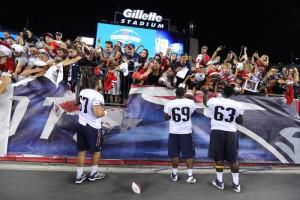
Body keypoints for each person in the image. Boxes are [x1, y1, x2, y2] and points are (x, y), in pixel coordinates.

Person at [203, 85, 244, 193]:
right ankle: (236, 184)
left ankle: (220, 182)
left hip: (217, 131)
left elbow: (205, 102)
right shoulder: (238, 105)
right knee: (233, 160)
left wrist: (206, 93)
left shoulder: (213, 101)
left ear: (222, 92)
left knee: (218, 158)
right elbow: (240, 121)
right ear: (231, 94)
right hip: (231, 132)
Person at [75, 76, 107, 184]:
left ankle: (79, 176)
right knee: (97, 151)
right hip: (92, 126)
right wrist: (105, 112)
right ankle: (93, 174)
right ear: (97, 84)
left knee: (82, 151)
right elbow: (97, 113)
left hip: (81, 123)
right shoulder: (98, 96)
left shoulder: (83, 91)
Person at [164, 87, 197, 184]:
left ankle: (174, 174)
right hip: (186, 132)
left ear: (175, 93)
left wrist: (171, 115)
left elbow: (166, 117)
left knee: (174, 154)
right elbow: (191, 113)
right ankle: (190, 176)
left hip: (174, 131)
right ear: (184, 93)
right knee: (189, 155)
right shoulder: (190, 103)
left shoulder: (169, 103)